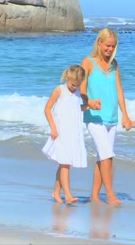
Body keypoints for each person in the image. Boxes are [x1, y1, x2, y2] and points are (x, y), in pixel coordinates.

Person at [80, 28, 132, 205]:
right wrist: (89, 101)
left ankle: (94, 196)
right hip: (94, 117)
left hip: (111, 116)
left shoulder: (114, 64)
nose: (109, 49)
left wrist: (125, 115)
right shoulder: (87, 62)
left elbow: (119, 89)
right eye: (107, 46)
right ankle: (110, 194)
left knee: (103, 157)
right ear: (99, 43)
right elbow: (81, 89)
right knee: (107, 156)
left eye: (113, 46)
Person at [42, 65, 89, 205]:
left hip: (73, 132)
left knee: (64, 163)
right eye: (73, 84)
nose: (75, 87)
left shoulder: (77, 92)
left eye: (78, 85)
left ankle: (56, 192)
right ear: (67, 78)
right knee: (65, 164)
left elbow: (76, 108)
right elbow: (47, 109)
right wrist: (53, 128)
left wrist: (90, 106)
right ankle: (68, 195)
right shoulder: (59, 90)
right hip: (60, 131)